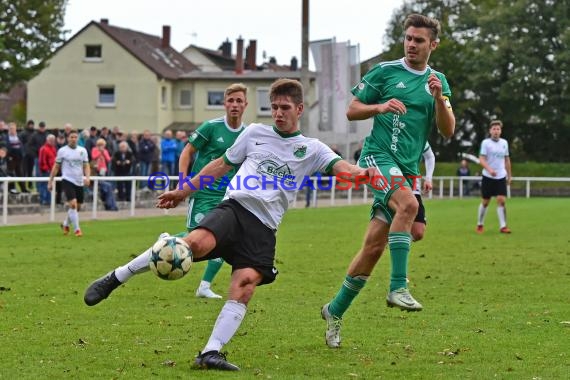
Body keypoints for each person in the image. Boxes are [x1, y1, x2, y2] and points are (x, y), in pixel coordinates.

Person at [83, 78, 377, 371]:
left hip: (264, 228)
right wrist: (184, 190)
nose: (277, 113)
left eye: (284, 107)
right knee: (192, 245)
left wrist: (363, 174)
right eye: (273, 107)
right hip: (235, 208)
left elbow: (344, 169)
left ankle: (210, 353)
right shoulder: (254, 133)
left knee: (245, 285)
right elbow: (220, 165)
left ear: (299, 109)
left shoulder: (311, 148)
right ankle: (116, 277)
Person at [321, 13, 455, 349]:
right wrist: (379, 107)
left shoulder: (437, 80)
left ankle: (334, 310)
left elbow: (448, 129)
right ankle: (398, 287)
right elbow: (352, 110)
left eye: (419, 40)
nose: (411, 45)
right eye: (408, 38)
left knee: (374, 248)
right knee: (408, 205)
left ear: (433, 45)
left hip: (406, 169)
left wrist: (439, 99)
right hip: (376, 158)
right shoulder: (384, 72)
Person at [48, 130, 90, 237]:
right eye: (71, 137)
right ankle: (77, 230)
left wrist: (87, 177)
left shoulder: (82, 150)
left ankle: (65, 224)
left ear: (78, 138)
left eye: (75, 137)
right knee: (73, 204)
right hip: (67, 180)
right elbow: (56, 166)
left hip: (79, 181)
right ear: (68, 138)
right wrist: (50, 180)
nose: (74, 139)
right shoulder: (62, 151)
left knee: (77, 207)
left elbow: (86, 165)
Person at [476, 120, 512, 234]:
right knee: (486, 202)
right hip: (488, 176)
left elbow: (507, 160)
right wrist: (489, 169)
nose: (496, 131)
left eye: (498, 129)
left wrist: (509, 175)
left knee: (501, 200)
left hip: (501, 176)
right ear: (490, 131)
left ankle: (503, 226)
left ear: (501, 131)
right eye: (494, 129)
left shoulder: (504, 143)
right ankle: (480, 224)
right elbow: (481, 159)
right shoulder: (486, 143)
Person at [38, 134, 57, 205]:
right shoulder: (44, 148)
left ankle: (49, 201)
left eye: (53, 140)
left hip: (52, 170)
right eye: (51, 140)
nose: (52, 142)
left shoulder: (53, 148)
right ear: (47, 140)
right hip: (46, 171)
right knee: (43, 185)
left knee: (50, 186)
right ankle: (43, 200)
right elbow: (42, 161)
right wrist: (46, 169)